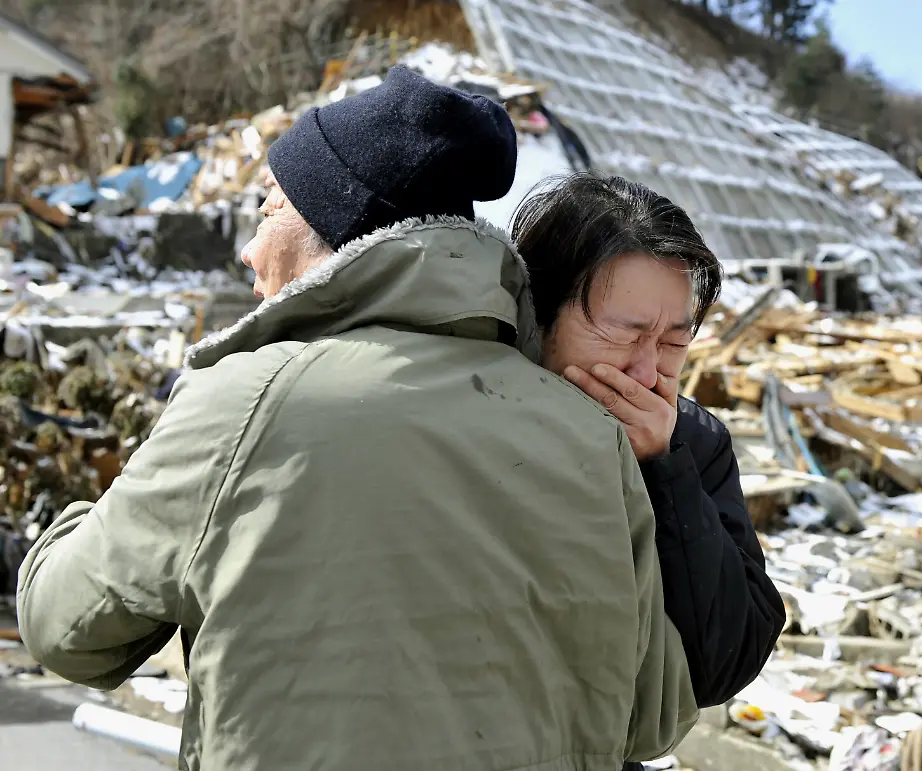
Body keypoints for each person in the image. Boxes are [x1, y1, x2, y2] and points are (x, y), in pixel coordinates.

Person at [17, 68, 697, 770]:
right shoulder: (586, 434)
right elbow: (653, 715)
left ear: (329, 227)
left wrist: (88, 518)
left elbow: (62, 627)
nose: (249, 248)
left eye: (269, 206)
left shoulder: (243, 402)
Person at [512, 173, 786, 758]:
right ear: (538, 314)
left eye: (671, 343)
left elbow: (727, 661)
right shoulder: (470, 419)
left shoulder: (691, 441)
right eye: (622, 333)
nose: (645, 372)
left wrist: (665, 470)